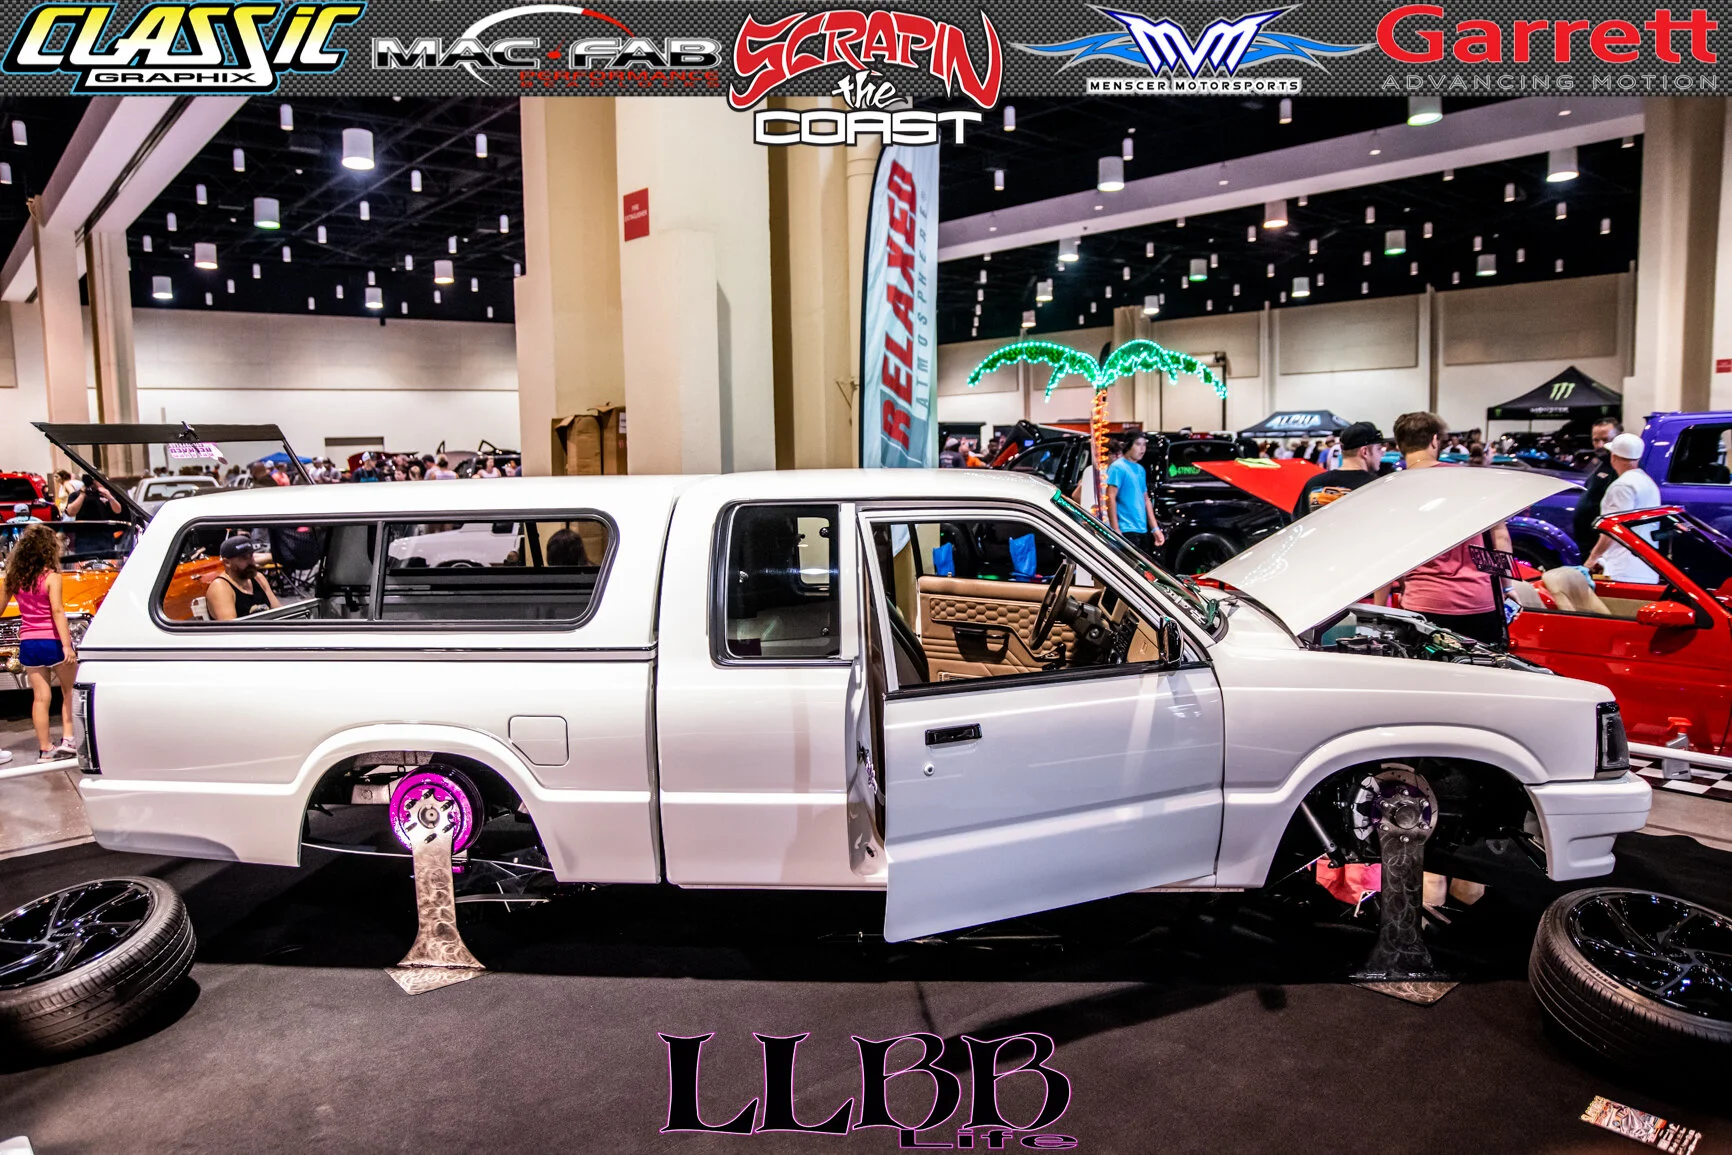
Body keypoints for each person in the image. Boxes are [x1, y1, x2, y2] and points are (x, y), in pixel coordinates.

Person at [1390, 411, 1511, 646]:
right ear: (1435, 440)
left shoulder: (1393, 490)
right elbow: (1500, 536)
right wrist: (1506, 588)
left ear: (1398, 444)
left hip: (1423, 603)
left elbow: (1387, 553)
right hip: (1478, 601)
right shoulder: (1472, 480)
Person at [0, 523, 79, 761]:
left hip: (29, 644)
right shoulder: (52, 577)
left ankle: (45, 749)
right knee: (69, 689)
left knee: (40, 698)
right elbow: (57, 610)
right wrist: (67, 646)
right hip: (52, 641)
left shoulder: (13, 579)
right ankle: (68, 739)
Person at [1583, 432, 1662, 583]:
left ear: (1613, 457)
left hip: (1622, 570)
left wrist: (1591, 560)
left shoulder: (1621, 486)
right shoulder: (1648, 483)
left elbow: (1613, 528)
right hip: (1647, 567)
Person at [1291, 422, 1384, 518]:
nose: (1382, 454)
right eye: (1378, 449)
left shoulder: (1314, 484)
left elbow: (1298, 523)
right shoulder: (1377, 486)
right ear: (1364, 452)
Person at [1104, 432, 1165, 554]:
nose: (1142, 448)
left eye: (1144, 445)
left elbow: (1145, 499)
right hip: (1125, 529)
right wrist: (1115, 529)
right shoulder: (1118, 467)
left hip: (1142, 529)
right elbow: (1110, 497)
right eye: (1138, 444)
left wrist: (1155, 528)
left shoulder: (1140, 469)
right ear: (1128, 446)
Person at [1571, 419, 1622, 556]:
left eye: (1605, 440)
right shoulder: (1598, 464)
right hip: (1587, 544)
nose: (1600, 445)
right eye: (1596, 440)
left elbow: (1614, 518)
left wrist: (1596, 555)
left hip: (1602, 548)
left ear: (1619, 438)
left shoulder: (1619, 471)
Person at [205, 535, 280, 620]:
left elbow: (279, 611)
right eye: (243, 558)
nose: (250, 562)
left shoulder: (258, 578)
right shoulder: (221, 587)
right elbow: (230, 626)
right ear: (227, 562)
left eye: (251, 556)